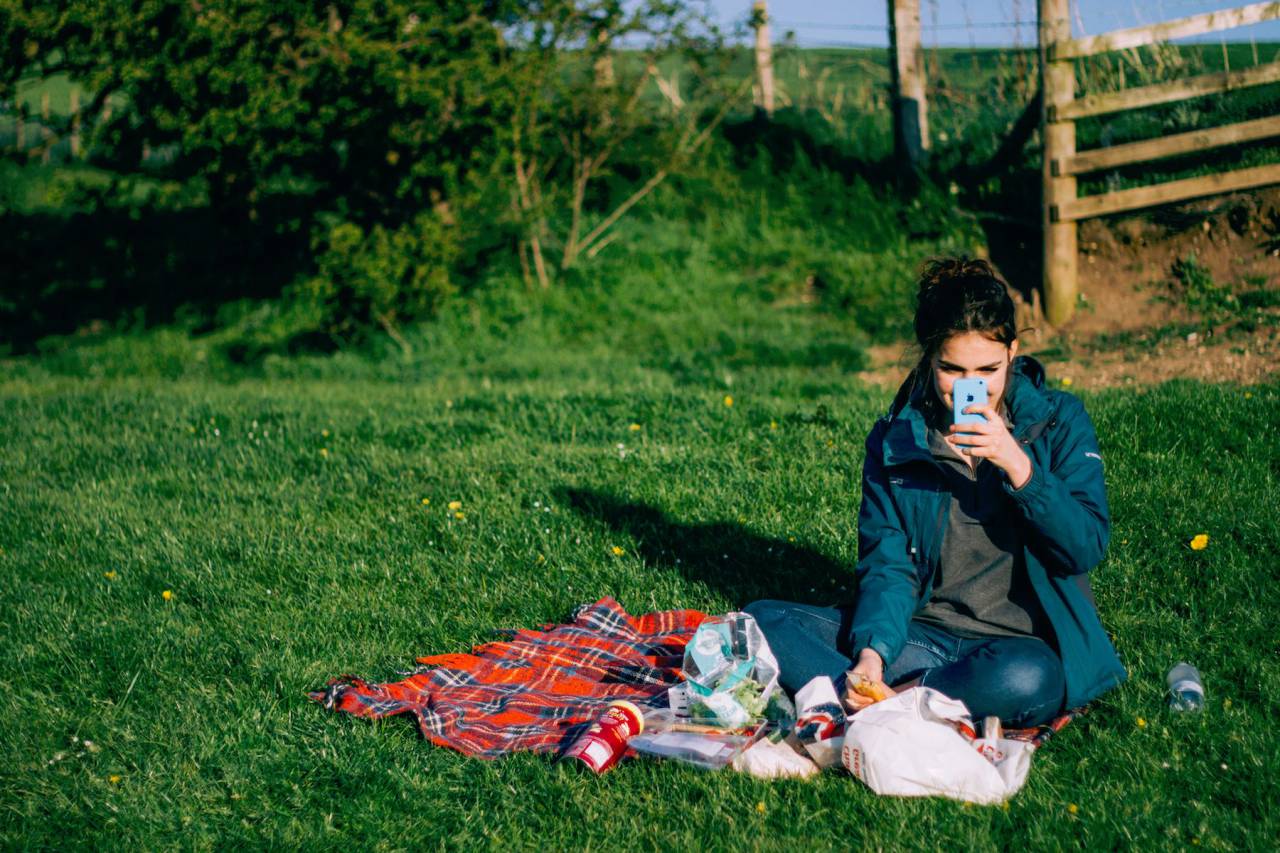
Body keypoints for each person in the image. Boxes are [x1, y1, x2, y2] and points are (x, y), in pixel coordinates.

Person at [745, 257, 1125, 727]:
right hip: (924, 639)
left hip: (1015, 649)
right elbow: (890, 564)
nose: (972, 388)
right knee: (761, 621)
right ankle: (892, 700)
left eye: (987, 368)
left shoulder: (1059, 421)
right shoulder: (898, 439)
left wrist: (1021, 468)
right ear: (929, 357)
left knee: (1032, 681)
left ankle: (873, 708)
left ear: (1012, 352)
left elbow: (1083, 547)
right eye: (952, 369)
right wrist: (871, 657)